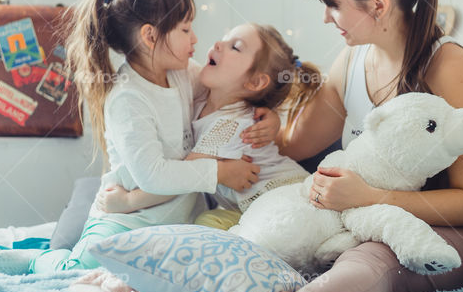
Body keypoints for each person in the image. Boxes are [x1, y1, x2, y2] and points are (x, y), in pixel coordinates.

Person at [165, 0, 463, 292]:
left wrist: (370, 198)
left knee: (372, 260)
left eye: (333, 4)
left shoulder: (449, 66)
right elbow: (296, 146)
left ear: (378, 5)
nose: (325, 17)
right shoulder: (353, 59)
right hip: (365, 215)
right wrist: (271, 124)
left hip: (454, 229)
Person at [0, 0, 276, 274]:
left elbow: (226, 93)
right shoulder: (128, 99)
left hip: (180, 217)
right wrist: (221, 172)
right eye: (185, 29)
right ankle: (40, 261)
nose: (195, 40)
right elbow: (153, 175)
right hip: (128, 217)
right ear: (150, 37)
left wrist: (269, 113)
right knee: (80, 269)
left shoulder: (181, 74)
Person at [97, 22, 320, 230]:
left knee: (205, 225)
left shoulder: (229, 125)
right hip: (252, 207)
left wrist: (127, 201)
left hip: (282, 198)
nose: (218, 44)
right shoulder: (201, 99)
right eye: (224, 38)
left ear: (255, 82)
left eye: (235, 47)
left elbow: (183, 180)